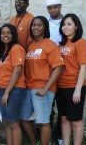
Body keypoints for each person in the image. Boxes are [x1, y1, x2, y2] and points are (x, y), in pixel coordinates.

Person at [22, 16, 64, 145]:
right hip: (29, 87)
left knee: (43, 122)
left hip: (43, 88)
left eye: (39, 25)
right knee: (23, 118)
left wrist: (45, 88)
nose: (36, 28)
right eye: (34, 25)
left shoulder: (50, 45)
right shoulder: (31, 45)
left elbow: (58, 67)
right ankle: (34, 142)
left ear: (45, 27)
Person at [57, 13, 86, 145]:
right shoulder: (61, 45)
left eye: (69, 24)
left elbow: (84, 67)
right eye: (63, 25)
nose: (65, 27)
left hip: (74, 87)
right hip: (61, 87)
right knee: (64, 119)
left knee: (76, 121)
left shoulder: (81, 43)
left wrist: (78, 90)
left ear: (76, 26)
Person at [0, 24, 26, 145]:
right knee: (6, 122)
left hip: (14, 90)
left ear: (13, 35)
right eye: (3, 33)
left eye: (9, 32)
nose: (5, 35)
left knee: (14, 122)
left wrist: (7, 92)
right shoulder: (3, 50)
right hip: (1, 89)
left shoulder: (17, 48)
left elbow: (17, 71)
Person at [46, 0, 64, 144]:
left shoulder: (67, 22)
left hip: (65, 70)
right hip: (48, 70)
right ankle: (50, 136)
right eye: (50, 8)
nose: (53, 10)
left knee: (63, 106)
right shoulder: (45, 23)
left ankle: (60, 136)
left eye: (55, 7)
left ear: (60, 6)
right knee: (49, 107)